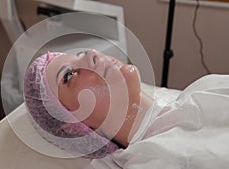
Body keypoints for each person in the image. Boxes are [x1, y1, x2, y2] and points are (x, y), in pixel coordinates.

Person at [24, 50, 229, 168]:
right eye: (68, 76)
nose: (92, 54)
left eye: (80, 53)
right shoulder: (154, 160)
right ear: (73, 126)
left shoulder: (207, 87)